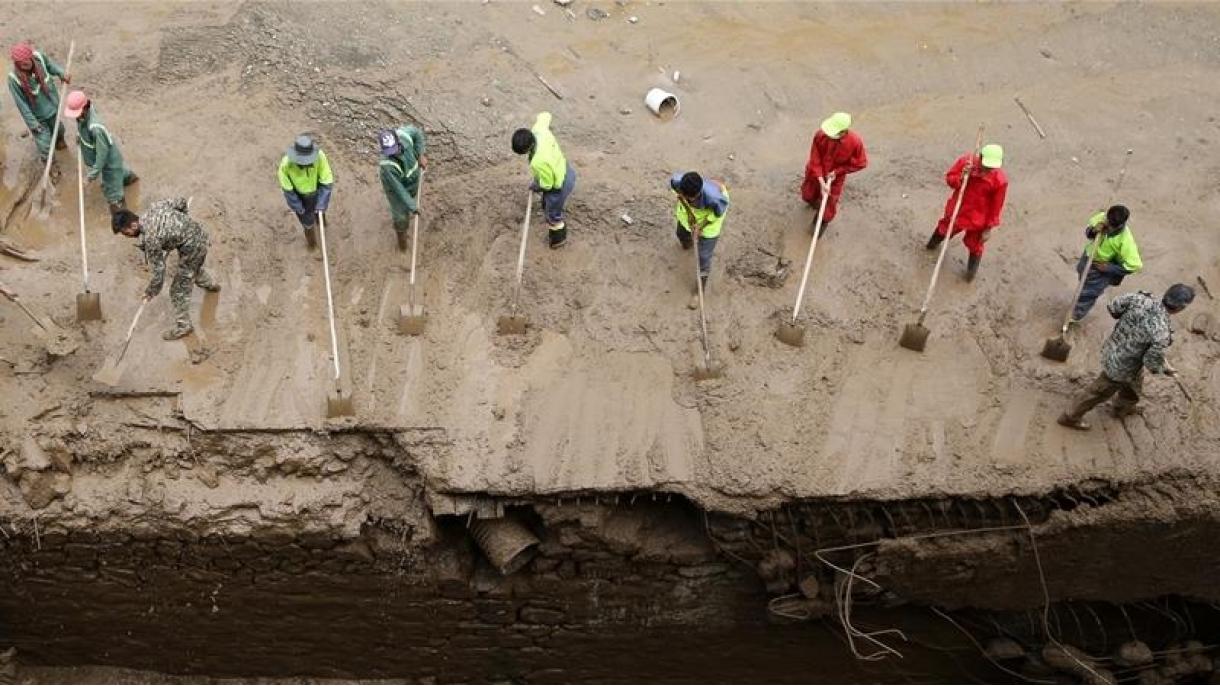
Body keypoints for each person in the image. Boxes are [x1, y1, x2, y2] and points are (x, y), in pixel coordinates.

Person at [1058, 284, 1195, 430]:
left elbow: (1113, 307)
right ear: (1181, 308)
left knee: (1134, 384)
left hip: (1114, 349)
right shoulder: (1162, 332)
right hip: (1120, 367)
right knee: (1098, 392)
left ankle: (1122, 407)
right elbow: (1151, 361)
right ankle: (1070, 416)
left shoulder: (1139, 299)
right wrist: (1164, 369)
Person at [113, 198, 220, 340]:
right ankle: (211, 285)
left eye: (125, 232)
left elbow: (159, 273)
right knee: (190, 268)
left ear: (133, 225)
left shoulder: (151, 239)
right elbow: (181, 202)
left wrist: (150, 292)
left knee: (177, 290)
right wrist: (184, 221)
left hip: (193, 247)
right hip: (198, 233)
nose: (126, 236)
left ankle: (184, 326)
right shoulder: (155, 207)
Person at [926, 143, 1009, 281]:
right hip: (958, 210)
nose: (987, 170)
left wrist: (988, 228)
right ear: (980, 157)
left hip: (979, 218)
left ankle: (970, 273)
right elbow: (950, 180)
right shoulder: (966, 163)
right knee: (944, 229)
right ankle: (930, 246)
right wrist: (962, 176)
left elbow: (996, 206)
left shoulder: (1000, 181)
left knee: (976, 245)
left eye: (991, 167)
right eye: (985, 165)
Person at [63, 90, 138, 214]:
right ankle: (129, 178)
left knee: (113, 192)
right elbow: (82, 128)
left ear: (84, 109)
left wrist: (91, 176)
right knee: (121, 173)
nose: (75, 117)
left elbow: (102, 156)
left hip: (108, 164)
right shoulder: (85, 114)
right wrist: (80, 137)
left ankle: (120, 211)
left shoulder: (96, 129)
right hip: (112, 160)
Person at [512, 112, 576, 249]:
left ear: (527, 149)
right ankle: (549, 207)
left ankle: (558, 238)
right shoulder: (539, 130)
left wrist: (536, 186)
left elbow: (548, 184)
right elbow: (545, 115)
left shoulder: (538, 161)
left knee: (552, 214)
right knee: (548, 201)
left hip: (560, 185)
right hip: (565, 169)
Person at [1070, 205, 1142, 322]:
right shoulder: (1102, 218)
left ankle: (1075, 316)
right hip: (1089, 256)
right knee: (1081, 272)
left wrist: (1109, 268)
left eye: (1112, 226)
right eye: (1108, 222)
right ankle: (1082, 293)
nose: (1108, 227)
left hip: (1102, 268)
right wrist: (1093, 230)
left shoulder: (1125, 240)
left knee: (1088, 293)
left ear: (1120, 225)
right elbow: (1088, 230)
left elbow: (1135, 265)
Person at [799, 112, 868, 234]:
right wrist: (821, 181)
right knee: (808, 194)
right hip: (815, 172)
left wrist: (838, 171)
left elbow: (861, 163)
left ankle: (817, 227)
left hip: (835, 179)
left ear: (843, 132)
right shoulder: (820, 135)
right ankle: (813, 203)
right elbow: (815, 159)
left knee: (828, 208)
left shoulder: (855, 142)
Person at [671, 171, 730, 309]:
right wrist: (685, 203)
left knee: (703, 257)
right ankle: (688, 244)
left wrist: (701, 227)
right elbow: (679, 195)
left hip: (710, 219)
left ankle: (699, 291)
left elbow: (717, 214)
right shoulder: (677, 182)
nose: (686, 197)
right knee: (681, 234)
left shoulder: (715, 199)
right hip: (688, 216)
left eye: (690, 197)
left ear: (698, 194)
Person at [7, 42, 70, 163]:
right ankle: (51, 165)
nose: (25, 64)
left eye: (27, 61)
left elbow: (51, 66)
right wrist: (33, 124)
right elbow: (22, 105)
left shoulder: (39, 57)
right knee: (44, 144)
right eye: (21, 64)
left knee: (59, 129)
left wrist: (61, 73)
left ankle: (59, 141)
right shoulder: (13, 79)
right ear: (16, 64)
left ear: (31, 57)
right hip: (38, 119)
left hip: (52, 106)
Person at [278, 134, 333, 249]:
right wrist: (298, 207)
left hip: (316, 190)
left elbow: (327, 181)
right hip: (300, 196)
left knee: (320, 211)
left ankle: (321, 221)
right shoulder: (286, 165)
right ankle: (311, 243)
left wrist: (322, 203)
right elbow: (288, 190)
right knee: (307, 222)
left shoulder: (320, 156)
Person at [378, 125, 426, 251]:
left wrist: (420, 154)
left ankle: (408, 211)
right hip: (394, 188)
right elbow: (399, 190)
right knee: (400, 216)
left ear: (398, 141)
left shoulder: (405, 135)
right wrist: (413, 206)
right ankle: (402, 244)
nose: (394, 154)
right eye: (390, 152)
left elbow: (417, 133)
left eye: (395, 149)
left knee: (411, 197)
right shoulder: (387, 166)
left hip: (412, 180)